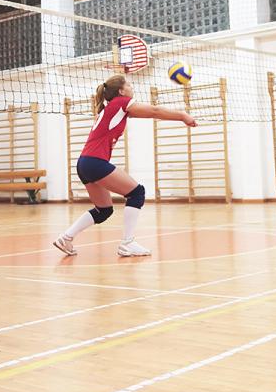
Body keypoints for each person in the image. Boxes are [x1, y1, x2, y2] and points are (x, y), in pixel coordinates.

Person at [53, 74, 197, 257]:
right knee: (137, 193)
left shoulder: (109, 108)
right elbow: (154, 111)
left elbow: (144, 114)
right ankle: (127, 242)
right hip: (95, 162)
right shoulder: (122, 102)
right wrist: (182, 115)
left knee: (104, 210)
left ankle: (66, 237)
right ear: (121, 91)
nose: (132, 86)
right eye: (128, 84)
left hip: (85, 163)